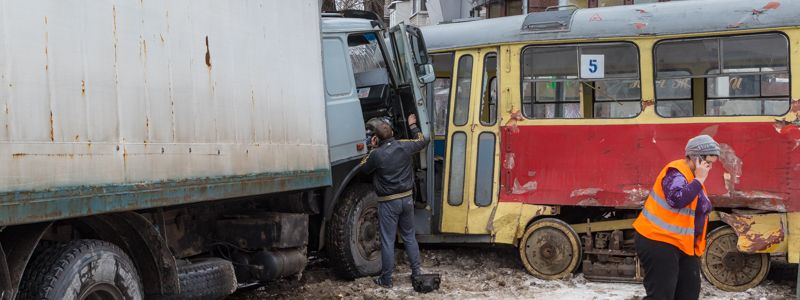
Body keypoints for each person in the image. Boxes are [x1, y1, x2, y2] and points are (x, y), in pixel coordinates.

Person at [632, 134, 720, 300]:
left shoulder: (692, 176)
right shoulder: (676, 173)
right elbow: (676, 199)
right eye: (708, 162)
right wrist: (700, 179)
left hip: (683, 243)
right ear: (697, 158)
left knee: (688, 292)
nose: (710, 167)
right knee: (661, 296)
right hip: (658, 240)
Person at [360, 114, 429, 288]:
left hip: (388, 202)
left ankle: (387, 279)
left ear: (376, 138)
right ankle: (416, 274)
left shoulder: (376, 155)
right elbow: (423, 140)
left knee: (388, 241)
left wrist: (371, 148)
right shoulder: (404, 146)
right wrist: (413, 126)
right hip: (406, 200)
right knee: (409, 237)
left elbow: (363, 168)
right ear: (392, 133)